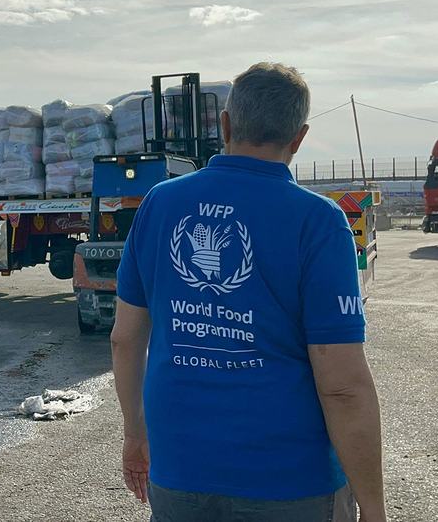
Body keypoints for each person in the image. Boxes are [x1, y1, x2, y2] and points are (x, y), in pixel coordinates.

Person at [111, 62, 386, 522]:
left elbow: (124, 338)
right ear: (298, 138)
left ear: (225, 125)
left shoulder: (161, 202)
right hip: (290, 483)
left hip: (180, 472)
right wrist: (374, 510)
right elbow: (342, 386)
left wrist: (135, 433)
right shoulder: (317, 220)